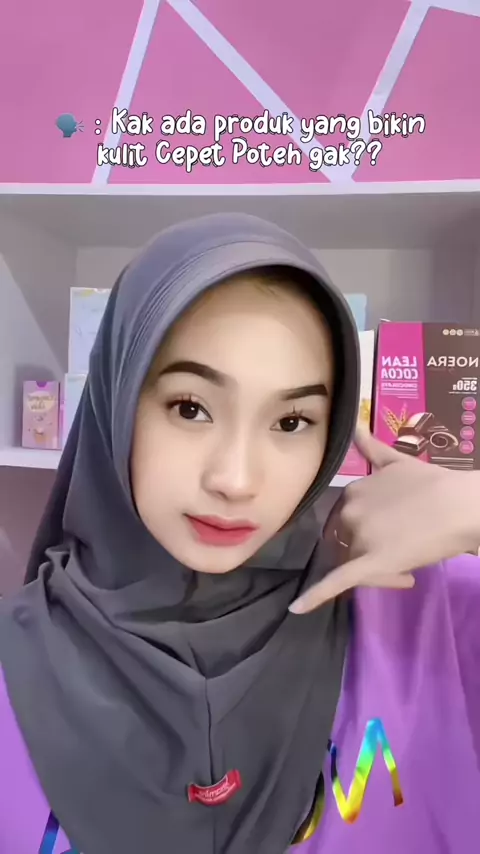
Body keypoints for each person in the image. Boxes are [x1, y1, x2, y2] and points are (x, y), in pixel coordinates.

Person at [0, 213, 477, 854]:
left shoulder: (430, 613)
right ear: (117, 400)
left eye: (292, 422)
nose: (236, 479)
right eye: (190, 408)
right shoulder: (14, 668)